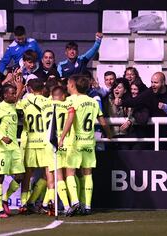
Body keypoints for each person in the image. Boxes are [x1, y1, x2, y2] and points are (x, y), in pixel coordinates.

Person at [59, 74, 111, 216]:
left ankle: (75, 202)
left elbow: (69, 119)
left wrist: (62, 137)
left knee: (70, 173)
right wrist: (109, 135)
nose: (68, 87)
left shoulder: (71, 101)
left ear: (73, 86)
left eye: (69, 84)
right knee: (88, 174)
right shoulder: (93, 101)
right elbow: (103, 121)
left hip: (75, 142)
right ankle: (87, 206)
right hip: (89, 142)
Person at [0, 84, 25, 218]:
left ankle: (5, 198)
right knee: (0, 177)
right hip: (3, 149)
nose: (15, 95)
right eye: (12, 93)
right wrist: (2, 137)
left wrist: (19, 86)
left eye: (15, 93)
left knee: (20, 176)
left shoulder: (14, 106)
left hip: (14, 148)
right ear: (5, 95)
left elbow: (18, 97)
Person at [16, 79, 54, 214]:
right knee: (49, 173)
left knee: (27, 175)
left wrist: (19, 89)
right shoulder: (48, 102)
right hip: (45, 142)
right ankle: (50, 203)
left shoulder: (24, 102)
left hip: (30, 142)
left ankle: (24, 204)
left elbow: (13, 107)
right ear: (42, 88)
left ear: (30, 89)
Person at [40, 86, 73, 215]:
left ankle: (53, 204)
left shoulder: (44, 106)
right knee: (62, 176)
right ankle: (65, 206)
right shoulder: (66, 106)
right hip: (61, 141)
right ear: (63, 96)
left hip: (48, 142)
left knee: (52, 176)